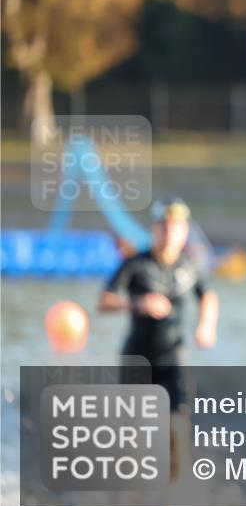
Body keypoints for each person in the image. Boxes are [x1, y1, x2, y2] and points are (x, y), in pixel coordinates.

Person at [99, 196, 220, 479]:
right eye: (164, 227)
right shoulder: (135, 264)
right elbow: (104, 301)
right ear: (154, 229)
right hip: (137, 359)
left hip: (173, 357)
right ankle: (131, 502)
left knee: (177, 427)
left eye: (176, 228)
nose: (170, 234)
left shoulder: (190, 266)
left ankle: (177, 499)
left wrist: (206, 326)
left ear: (185, 231)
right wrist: (138, 303)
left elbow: (209, 297)